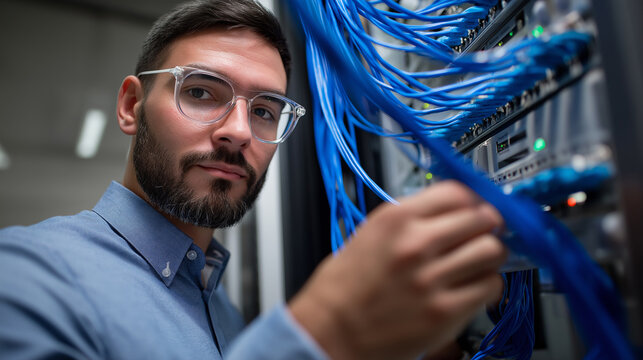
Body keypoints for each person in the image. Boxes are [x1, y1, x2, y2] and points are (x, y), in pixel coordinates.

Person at [0, 0, 507, 359]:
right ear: (132, 106)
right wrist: (324, 335)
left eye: (265, 110)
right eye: (200, 92)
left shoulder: (220, 307)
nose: (239, 132)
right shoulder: (26, 277)